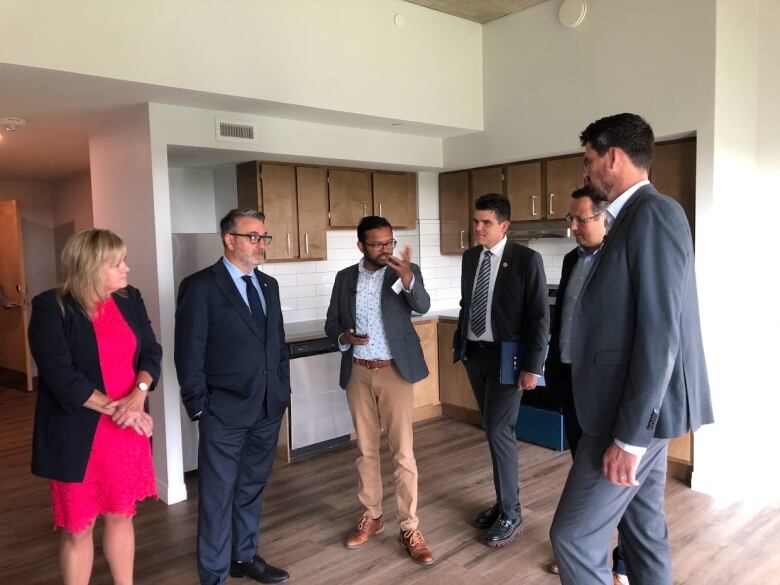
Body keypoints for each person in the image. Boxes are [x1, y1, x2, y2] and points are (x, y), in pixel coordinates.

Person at [550, 113, 714, 585]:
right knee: (641, 531)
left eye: (588, 160)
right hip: (637, 411)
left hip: (627, 414)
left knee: (573, 538)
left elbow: (661, 331)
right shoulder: (627, 221)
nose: (586, 172)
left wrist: (630, 438)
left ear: (613, 157)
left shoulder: (654, 214)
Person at [28, 228, 160, 585]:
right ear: (90, 267)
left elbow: (151, 350)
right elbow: (60, 374)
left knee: (121, 515)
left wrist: (139, 394)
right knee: (78, 527)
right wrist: (122, 409)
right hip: (78, 432)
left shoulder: (130, 298)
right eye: (117, 263)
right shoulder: (50, 307)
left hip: (126, 427)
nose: (127, 269)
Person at [175, 208, 290, 585]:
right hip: (222, 411)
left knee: (251, 487)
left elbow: (276, 344)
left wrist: (282, 391)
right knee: (216, 495)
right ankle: (213, 576)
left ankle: (243, 557)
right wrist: (198, 408)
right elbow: (189, 350)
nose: (261, 245)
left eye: (264, 237)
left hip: (267, 406)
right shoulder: (201, 286)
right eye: (253, 237)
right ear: (229, 240)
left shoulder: (269, 284)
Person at [324, 216, 434, 565]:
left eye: (389, 242)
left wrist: (407, 279)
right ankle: (372, 516)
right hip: (358, 372)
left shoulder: (403, 270)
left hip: (394, 373)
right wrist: (345, 337)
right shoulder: (345, 278)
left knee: (403, 453)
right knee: (366, 451)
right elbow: (331, 324)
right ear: (361, 246)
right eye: (377, 244)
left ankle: (410, 527)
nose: (386, 249)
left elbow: (423, 305)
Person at [453, 193, 549, 547]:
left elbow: (540, 317)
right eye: (476, 221)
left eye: (486, 223)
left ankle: (512, 512)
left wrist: (533, 367)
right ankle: (503, 501)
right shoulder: (469, 258)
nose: (478, 227)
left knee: (498, 430)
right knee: (493, 431)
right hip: (475, 355)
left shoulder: (526, 259)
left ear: (504, 226)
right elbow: (468, 304)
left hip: (509, 358)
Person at [544, 186, 628, 585]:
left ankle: (623, 561)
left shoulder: (620, 261)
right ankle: (582, 548)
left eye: (581, 219)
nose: (573, 227)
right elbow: (565, 317)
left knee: (619, 480)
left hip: (607, 388)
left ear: (605, 218)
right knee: (584, 468)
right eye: (570, 219)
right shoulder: (570, 260)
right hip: (572, 381)